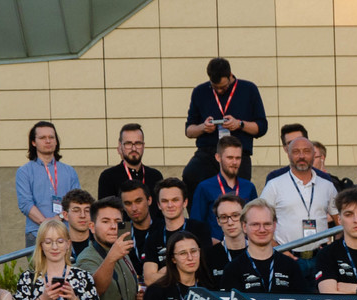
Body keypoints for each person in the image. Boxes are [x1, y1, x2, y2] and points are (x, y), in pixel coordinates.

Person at [183, 58, 267, 201]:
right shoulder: (200, 91)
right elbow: (189, 131)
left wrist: (239, 124)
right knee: (190, 175)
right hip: (208, 152)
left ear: (230, 76)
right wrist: (203, 127)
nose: (220, 91)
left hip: (238, 153)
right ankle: (197, 214)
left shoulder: (249, 89)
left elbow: (261, 127)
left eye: (223, 87)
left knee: (238, 194)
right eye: (215, 87)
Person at [262, 135, 338, 284]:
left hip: (320, 258)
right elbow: (259, 221)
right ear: (288, 154)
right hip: (287, 257)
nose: (301, 156)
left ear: (314, 154)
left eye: (306, 151)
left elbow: (340, 221)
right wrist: (278, 249)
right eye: (296, 152)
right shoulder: (274, 185)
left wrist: (333, 249)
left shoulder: (327, 186)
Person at [225, 198, 310, 295]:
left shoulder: (291, 266)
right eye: (255, 224)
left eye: (267, 224)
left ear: (274, 225)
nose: (262, 230)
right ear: (244, 227)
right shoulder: (233, 269)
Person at [15, 120, 78, 246]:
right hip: (36, 234)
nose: (48, 141)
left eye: (51, 137)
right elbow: (25, 204)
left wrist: (60, 217)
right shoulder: (24, 172)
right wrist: (47, 224)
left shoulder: (69, 171)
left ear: (56, 141)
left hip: (65, 233)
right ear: (33, 142)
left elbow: (76, 202)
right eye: (42, 138)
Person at [189, 134, 258, 241]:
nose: (234, 162)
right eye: (230, 158)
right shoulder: (204, 187)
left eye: (238, 158)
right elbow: (196, 225)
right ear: (218, 157)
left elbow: (255, 220)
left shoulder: (249, 187)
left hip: (244, 246)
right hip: (216, 247)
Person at [140, 178, 207, 285]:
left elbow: (203, 270)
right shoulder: (153, 237)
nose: (170, 205)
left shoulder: (199, 229)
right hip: (165, 294)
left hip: (196, 292)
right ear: (159, 205)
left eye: (175, 200)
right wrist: (183, 270)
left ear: (185, 202)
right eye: (165, 201)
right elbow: (149, 279)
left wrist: (165, 271)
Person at [98, 123, 163, 203]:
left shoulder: (155, 176)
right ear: (120, 146)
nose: (134, 148)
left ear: (143, 145)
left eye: (138, 143)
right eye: (128, 144)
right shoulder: (108, 177)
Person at [205, 194, 248, 282]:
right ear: (218, 221)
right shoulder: (208, 257)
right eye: (224, 217)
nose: (230, 222)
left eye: (235, 215)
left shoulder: (258, 252)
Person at [62, 188, 96, 259]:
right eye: (76, 210)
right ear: (66, 215)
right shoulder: (58, 245)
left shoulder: (100, 242)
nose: (82, 215)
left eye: (87, 211)